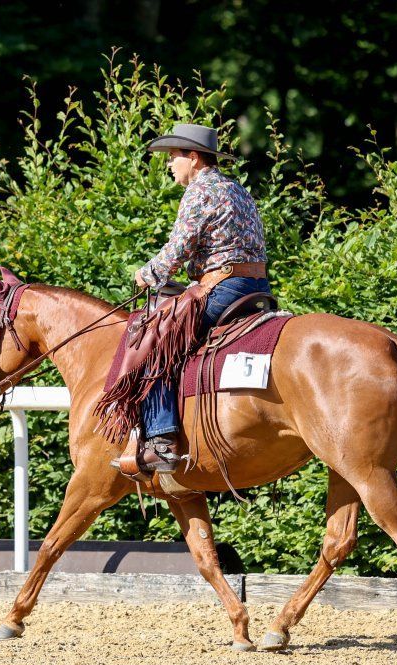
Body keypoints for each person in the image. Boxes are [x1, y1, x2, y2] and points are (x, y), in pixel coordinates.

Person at [121, 122, 271, 474]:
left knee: (155, 340)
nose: (169, 163)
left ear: (193, 157)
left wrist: (147, 274)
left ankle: (162, 440)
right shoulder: (236, 189)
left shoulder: (200, 191)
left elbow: (177, 251)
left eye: (173, 156)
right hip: (256, 288)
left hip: (223, 288)